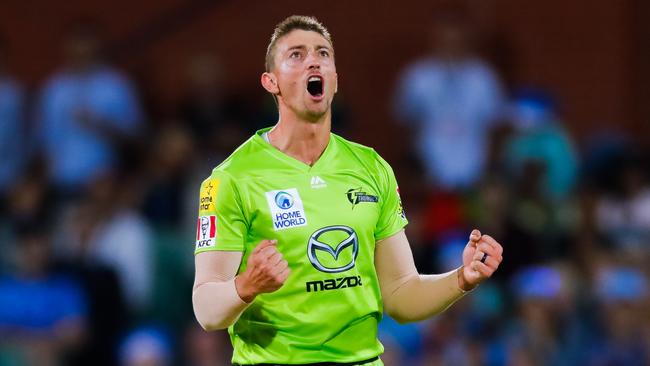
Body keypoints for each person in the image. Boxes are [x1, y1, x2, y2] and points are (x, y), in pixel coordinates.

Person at [192, 15, 503, 366]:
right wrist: (244, 286)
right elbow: (206, 309)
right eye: (296, 54)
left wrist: (462, 279)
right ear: (271, 82)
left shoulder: (371, 168)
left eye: (323, 53)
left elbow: (400, 294)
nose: (313, 60)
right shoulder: (232, 178)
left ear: (334, 80)